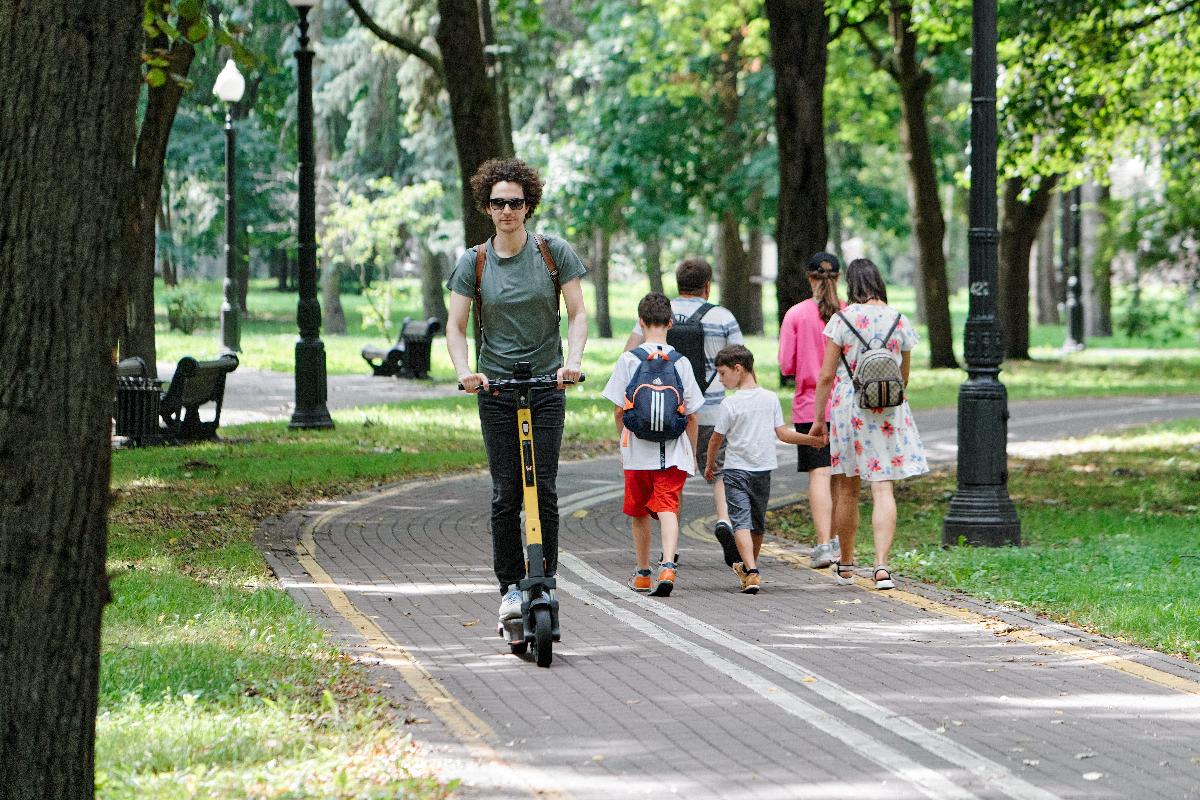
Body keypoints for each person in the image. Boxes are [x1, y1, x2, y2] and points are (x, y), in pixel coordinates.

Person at [445, 158, 589, 625]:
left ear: (529, 205)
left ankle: (544, 579)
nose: (507, 210)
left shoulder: (553, 252)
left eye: (515, 202)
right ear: (486, 207)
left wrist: (573, 363)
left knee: (543, 489)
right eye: (498, 202)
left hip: (547, 383)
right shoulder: (475, 261)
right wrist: (467, 371)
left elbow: (578, 313)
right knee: (507, 492)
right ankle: (509, 586)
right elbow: (456, 324)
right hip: (497, 387)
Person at [809, 259, 929, 591]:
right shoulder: (898, 320)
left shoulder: (842, 320)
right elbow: (903, 377)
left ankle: (846, 564)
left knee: (847, 488)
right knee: (882, 487)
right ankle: (881, 567)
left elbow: (826, 376)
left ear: (852, 284)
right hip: (888, 409)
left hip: (850, 406)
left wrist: (819, 420)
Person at [623, 258, 744, 567]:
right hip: (713, 410)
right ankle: (723, 520)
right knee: (718, 470)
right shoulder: (723, 316)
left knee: (669, 483)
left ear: (677, 284)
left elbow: (631, 353)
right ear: (708, 285)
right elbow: (740, 362)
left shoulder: (659, 313)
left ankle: (669, 550)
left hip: (665, 414)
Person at [604, 292, 706, 597]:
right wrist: (693, 451)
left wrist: (623, 443)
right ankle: (668, 565)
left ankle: (643, 573)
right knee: (668, 508)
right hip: (673, 452)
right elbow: (692, 414)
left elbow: (619, 409)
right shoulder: (682, 362)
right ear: (670, 323)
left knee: (637, 513)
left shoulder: (628, 360)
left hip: (637, 453)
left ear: (641, 322)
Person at [704, 345, 825, 594]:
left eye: (723, 372)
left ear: (738, 369)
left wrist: (709, 464)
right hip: (762, 470)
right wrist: (811, 440)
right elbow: (783, 434)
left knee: (742, 523)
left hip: (736, 470)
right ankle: (752, 569)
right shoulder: (769, 398)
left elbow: (716, 439)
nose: (720, 378)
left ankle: (752, 570)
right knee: (755, 524)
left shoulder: (730, 404)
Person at [778, 252, 845, 569]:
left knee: (819, 473)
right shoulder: (849, 313)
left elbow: (786, 365)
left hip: (809, 406)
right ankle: (836, 541)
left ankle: (822, 545)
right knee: (839, 476)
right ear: (839, 278)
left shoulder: (796, 315)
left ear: (809, 278)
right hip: (846, 406)